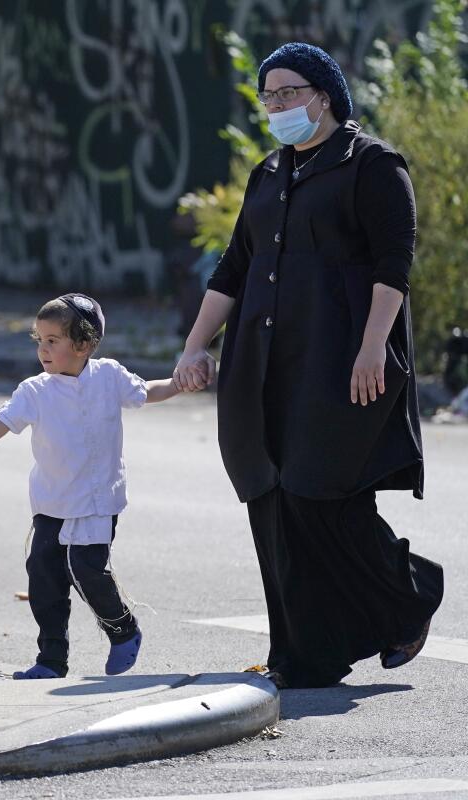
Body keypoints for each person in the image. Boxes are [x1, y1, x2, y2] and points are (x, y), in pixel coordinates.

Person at [174, 42, 443, 689]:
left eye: (289, 92)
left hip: (343, 360)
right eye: (268, 96)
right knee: (272, 499)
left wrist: (374, 345)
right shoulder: (269, 174)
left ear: (325, 95)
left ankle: (411, 592)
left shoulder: (374, 166)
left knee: (321, 495)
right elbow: (233, 266)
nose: (277, 106)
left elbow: (392, 266)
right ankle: (306, 654)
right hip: (265, 363)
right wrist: (195, 345)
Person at [0, 294, 178, 679]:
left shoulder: (109, 376)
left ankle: (123, 630)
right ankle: (51, 660)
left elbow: (147, 391)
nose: (42, 349)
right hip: (52, 502)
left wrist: (180, 383)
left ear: (84, 345)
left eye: (53, 340)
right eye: (39, 340)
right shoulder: (34, 391)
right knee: (44, 577)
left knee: (87, 569)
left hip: (98, 500)